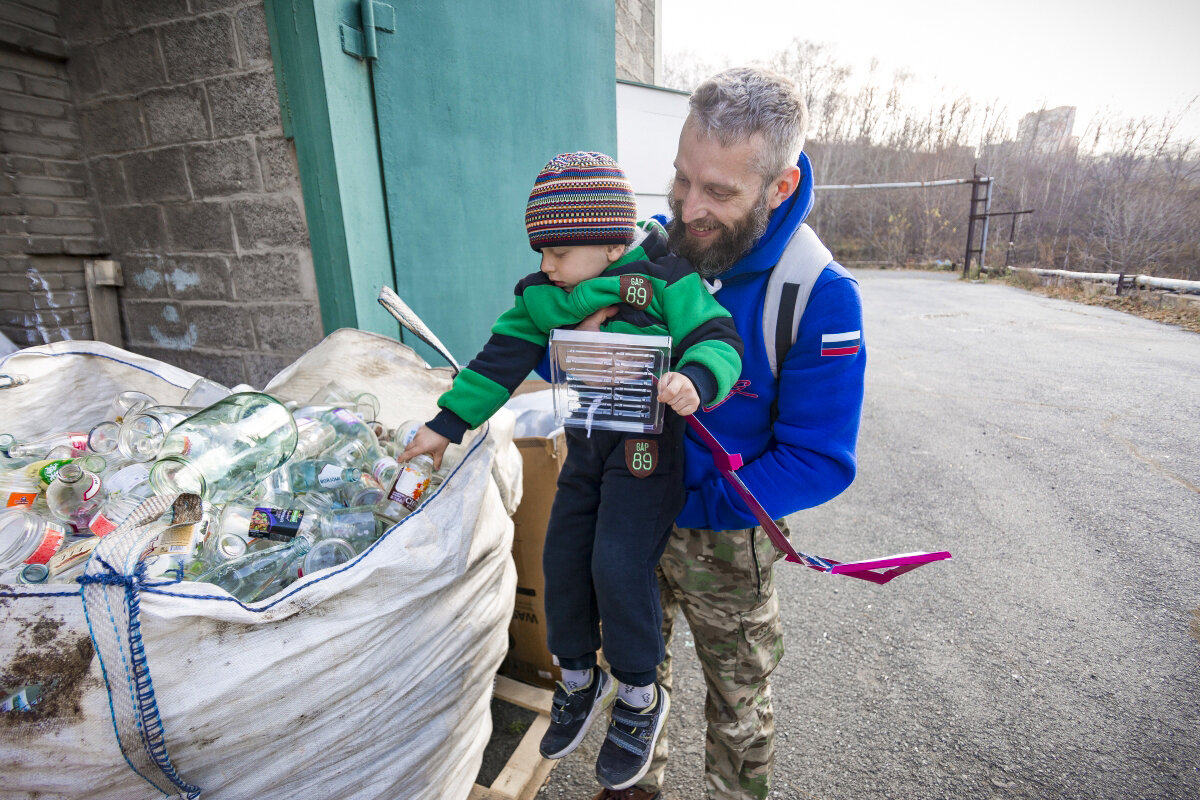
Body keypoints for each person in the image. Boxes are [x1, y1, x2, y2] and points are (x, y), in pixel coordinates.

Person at [401, 152, 744, 792]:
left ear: (613, 244)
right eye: (540, 251)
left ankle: (641, 695)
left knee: (618, 563)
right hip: (584, 447)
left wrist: (696, 379)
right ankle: (579, 680)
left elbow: (718, 337)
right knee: (561, 558)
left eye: (559, 251)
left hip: (646, 456)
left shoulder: (666, 280)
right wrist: (444, 425)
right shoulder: (541, 299)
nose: (547, 265)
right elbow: (497, 360)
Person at [589, 68, 866, 800]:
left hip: (725, 535)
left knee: (738, 705)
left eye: (719, 192)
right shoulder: (655, 248)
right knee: (635, 677)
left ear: (778, 188)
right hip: (631, 508)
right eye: (682, 180)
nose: (689, 207)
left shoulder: (818, 294)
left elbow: (819, 458)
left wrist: (700, 502)